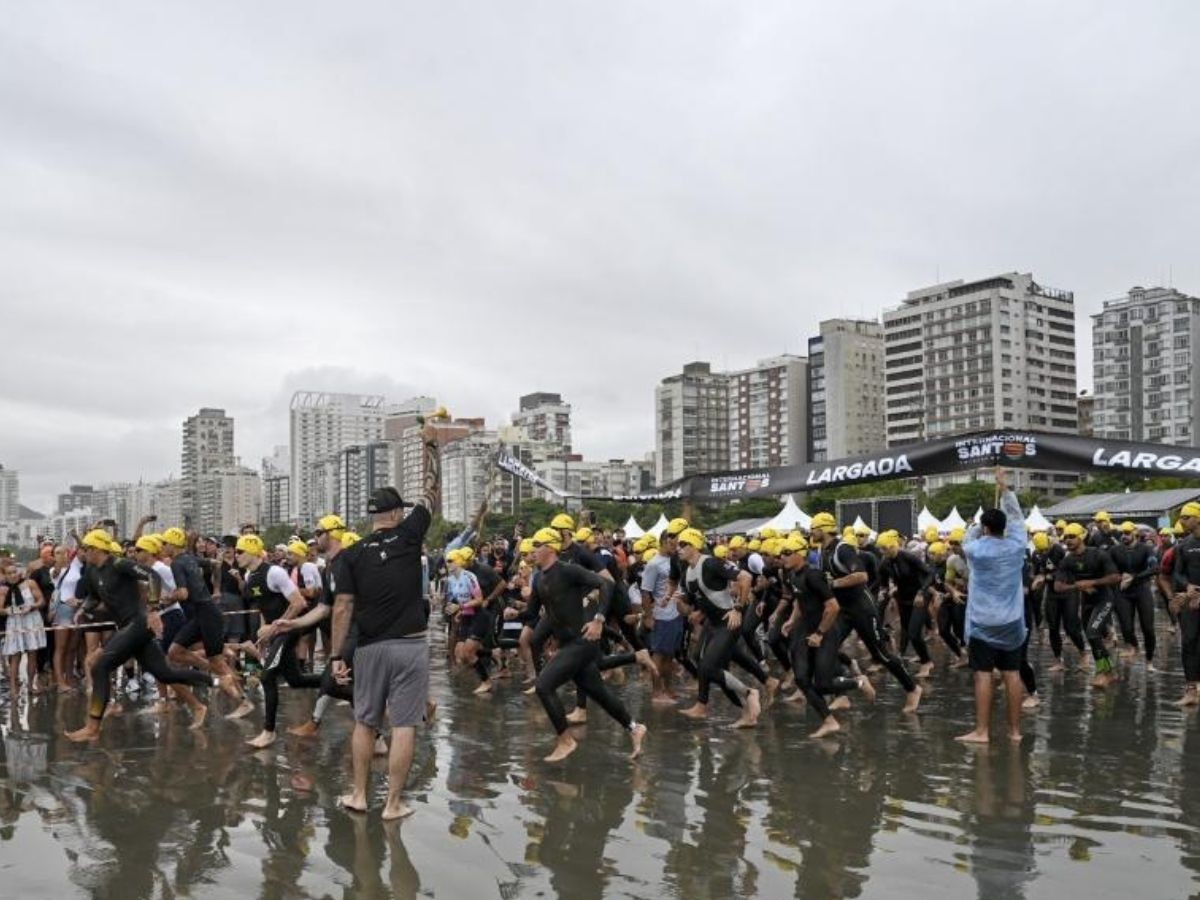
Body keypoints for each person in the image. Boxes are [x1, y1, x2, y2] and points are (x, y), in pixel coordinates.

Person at [331, 413, 443, 819]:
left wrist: (336, 656)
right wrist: (432, 447)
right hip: (410, 646)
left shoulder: (350, 554)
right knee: (405, 725)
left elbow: (343, 607)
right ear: (397, 513)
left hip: (369, 648)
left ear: (372, 516)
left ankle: (359, 796)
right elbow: (432, 493)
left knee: (365, 722)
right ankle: (393, 804)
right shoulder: (411, 534)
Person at [64, 530, 211, 742]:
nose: (82, 552)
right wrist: (83, 609)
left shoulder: (119, 564)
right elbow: (94, 597)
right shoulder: (92, 572)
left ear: (97, 548)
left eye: (85, 548)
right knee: (165, 674)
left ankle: (92, 727)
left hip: (139, 624)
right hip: (125, 627)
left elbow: (153, 576)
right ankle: (216, 680)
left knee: (100, 667)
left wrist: (152, 609)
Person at [528, 526, 647, 762]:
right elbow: (533, 614)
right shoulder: (539, 578)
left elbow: (607, 584)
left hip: (582, 642)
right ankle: (635, 727)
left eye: (536, 545)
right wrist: (514, 610)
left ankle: (565, 740)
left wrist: (599, 620)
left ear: (550, 548)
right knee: (599, 693)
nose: (532, 551)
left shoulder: (568, 571)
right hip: (568, 643)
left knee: (543, 686)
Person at [956, 468, 1029, 744]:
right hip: (1011, 622)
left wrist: (980, 523)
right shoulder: (1017, 546)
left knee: (983, 676)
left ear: (985, 528)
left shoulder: (975, 551)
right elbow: (1018, 520)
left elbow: (968, 537)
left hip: (982, 622)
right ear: (1004, 528)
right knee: (1012, 674)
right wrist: (1006, 489)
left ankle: (982, 731)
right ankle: (1014, 732)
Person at [1054, 523, 1122, 689]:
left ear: (1081, 537)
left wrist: (1092, 582)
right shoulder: (1067, 560)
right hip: (1087, 602)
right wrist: (1078, 586)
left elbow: (1115, 577)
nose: (1068, 540)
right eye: (1065, 538)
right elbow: (1058, 587)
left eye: (1072, 537)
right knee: (1092, 637)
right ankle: (1111, 671)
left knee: (1092, 632)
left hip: (1104, 599)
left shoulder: (1098, 554)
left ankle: (1102, 672)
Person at [1, 561, 47, 695]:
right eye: (9, 573)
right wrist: (9, 610)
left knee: (33, 654)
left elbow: (41, 600)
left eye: (14, 572)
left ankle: (30, 685)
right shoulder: (3, 590)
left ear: (19, 572)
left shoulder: (30, 583)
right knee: (15, 657)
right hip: (14, 623)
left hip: (32, 621)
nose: (13, 575)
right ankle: (14, 689)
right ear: (5, 576)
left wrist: (32, 606)